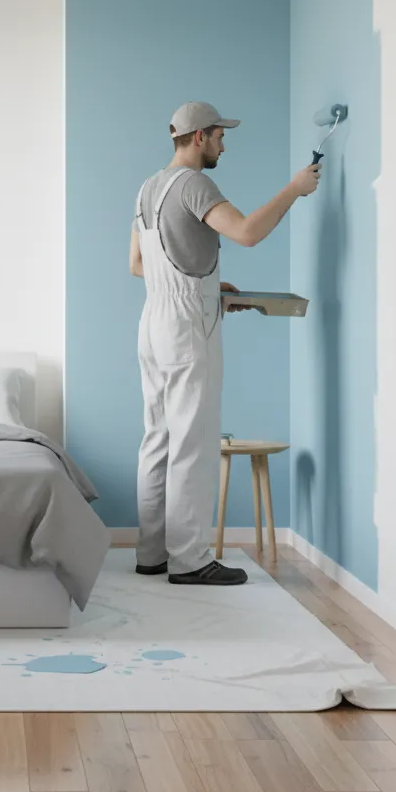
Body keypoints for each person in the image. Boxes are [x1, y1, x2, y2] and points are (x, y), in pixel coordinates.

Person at [129, 101, 320, 585]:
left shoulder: (148, 189)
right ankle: (190, 561)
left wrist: (209, 287)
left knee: (158, 438)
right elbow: (248, 233)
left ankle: (152, 553)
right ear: (198, 137)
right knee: (192, 441)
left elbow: (138, 264)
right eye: (219, 136)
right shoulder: (195, 184)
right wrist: (294, 190)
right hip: (187, 326)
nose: (223, 144)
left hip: (153, 320)